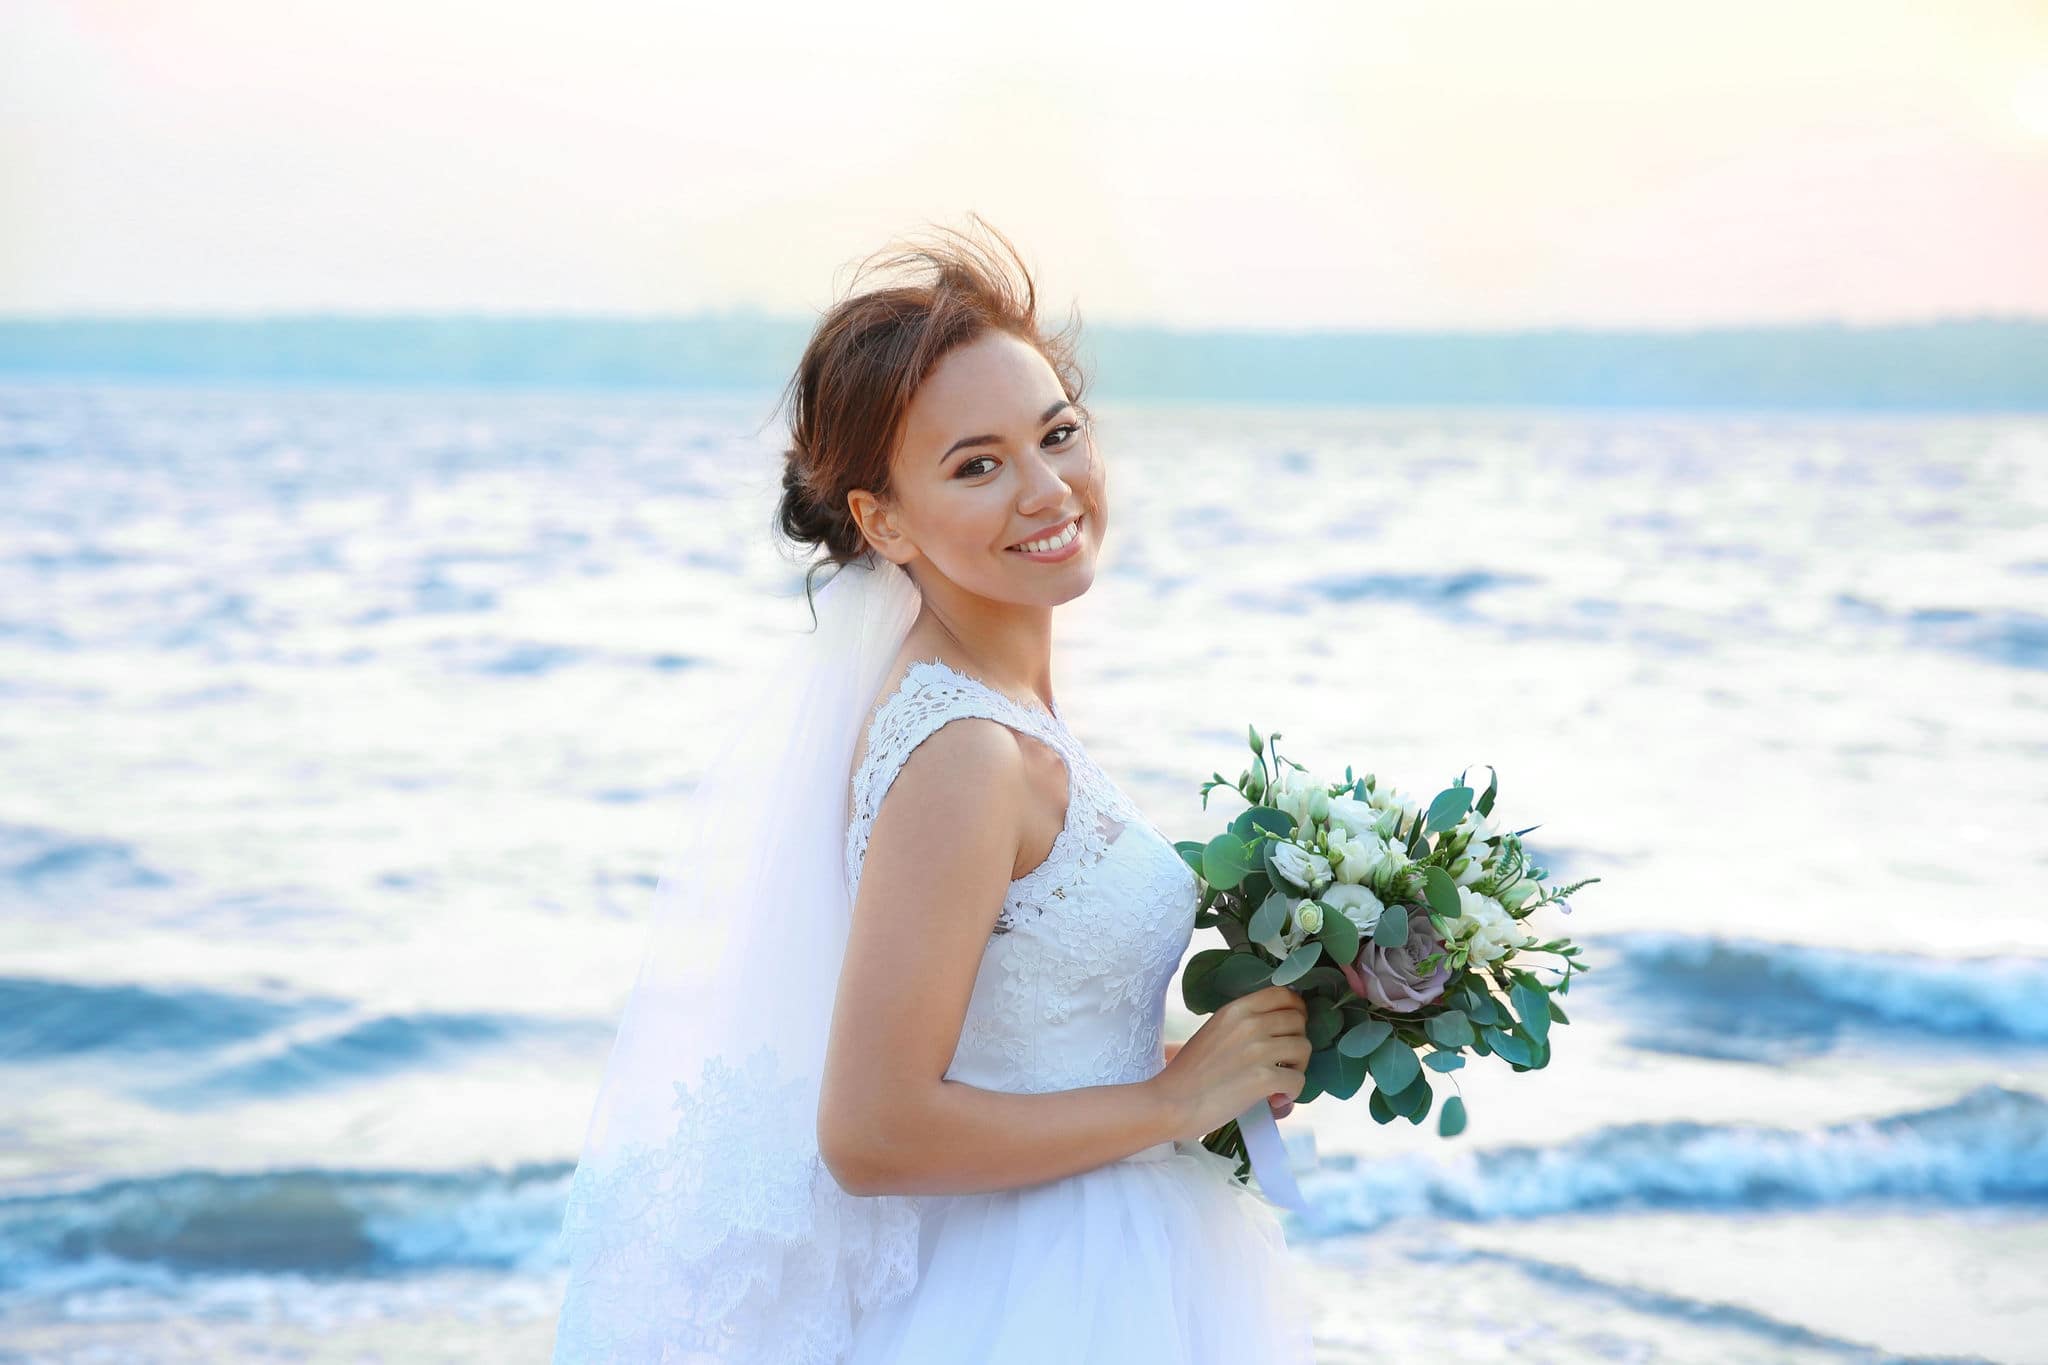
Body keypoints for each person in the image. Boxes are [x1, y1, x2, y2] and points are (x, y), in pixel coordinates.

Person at [551, 216, 1316, 1364]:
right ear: (881, 520)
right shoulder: (962, 752)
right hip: (1042, 1296)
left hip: (1096, 1247)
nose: (1046, 487)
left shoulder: (991, 704)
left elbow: (997, 1033)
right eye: (977, 464)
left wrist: (1188, 1070)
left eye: (1057, 433)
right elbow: (871, 1131)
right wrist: (1169, 1107)